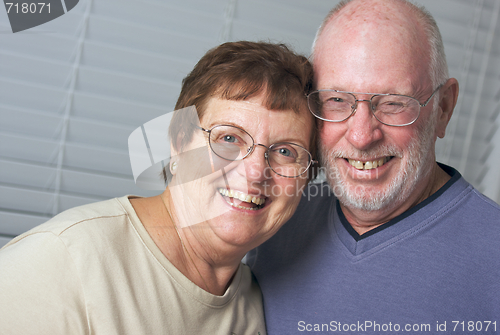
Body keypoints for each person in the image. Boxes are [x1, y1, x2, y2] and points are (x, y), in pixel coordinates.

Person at [0, 41, 317, 334]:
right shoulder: (61, 262)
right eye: (229, 138)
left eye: (286, 151)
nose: (255, 171)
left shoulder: (260, 307)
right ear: (179, 142)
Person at [247, 0, 500, 333]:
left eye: (394, 103)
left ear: (443, 108)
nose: (362, 136)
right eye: (337, 100)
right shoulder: (275, 216)